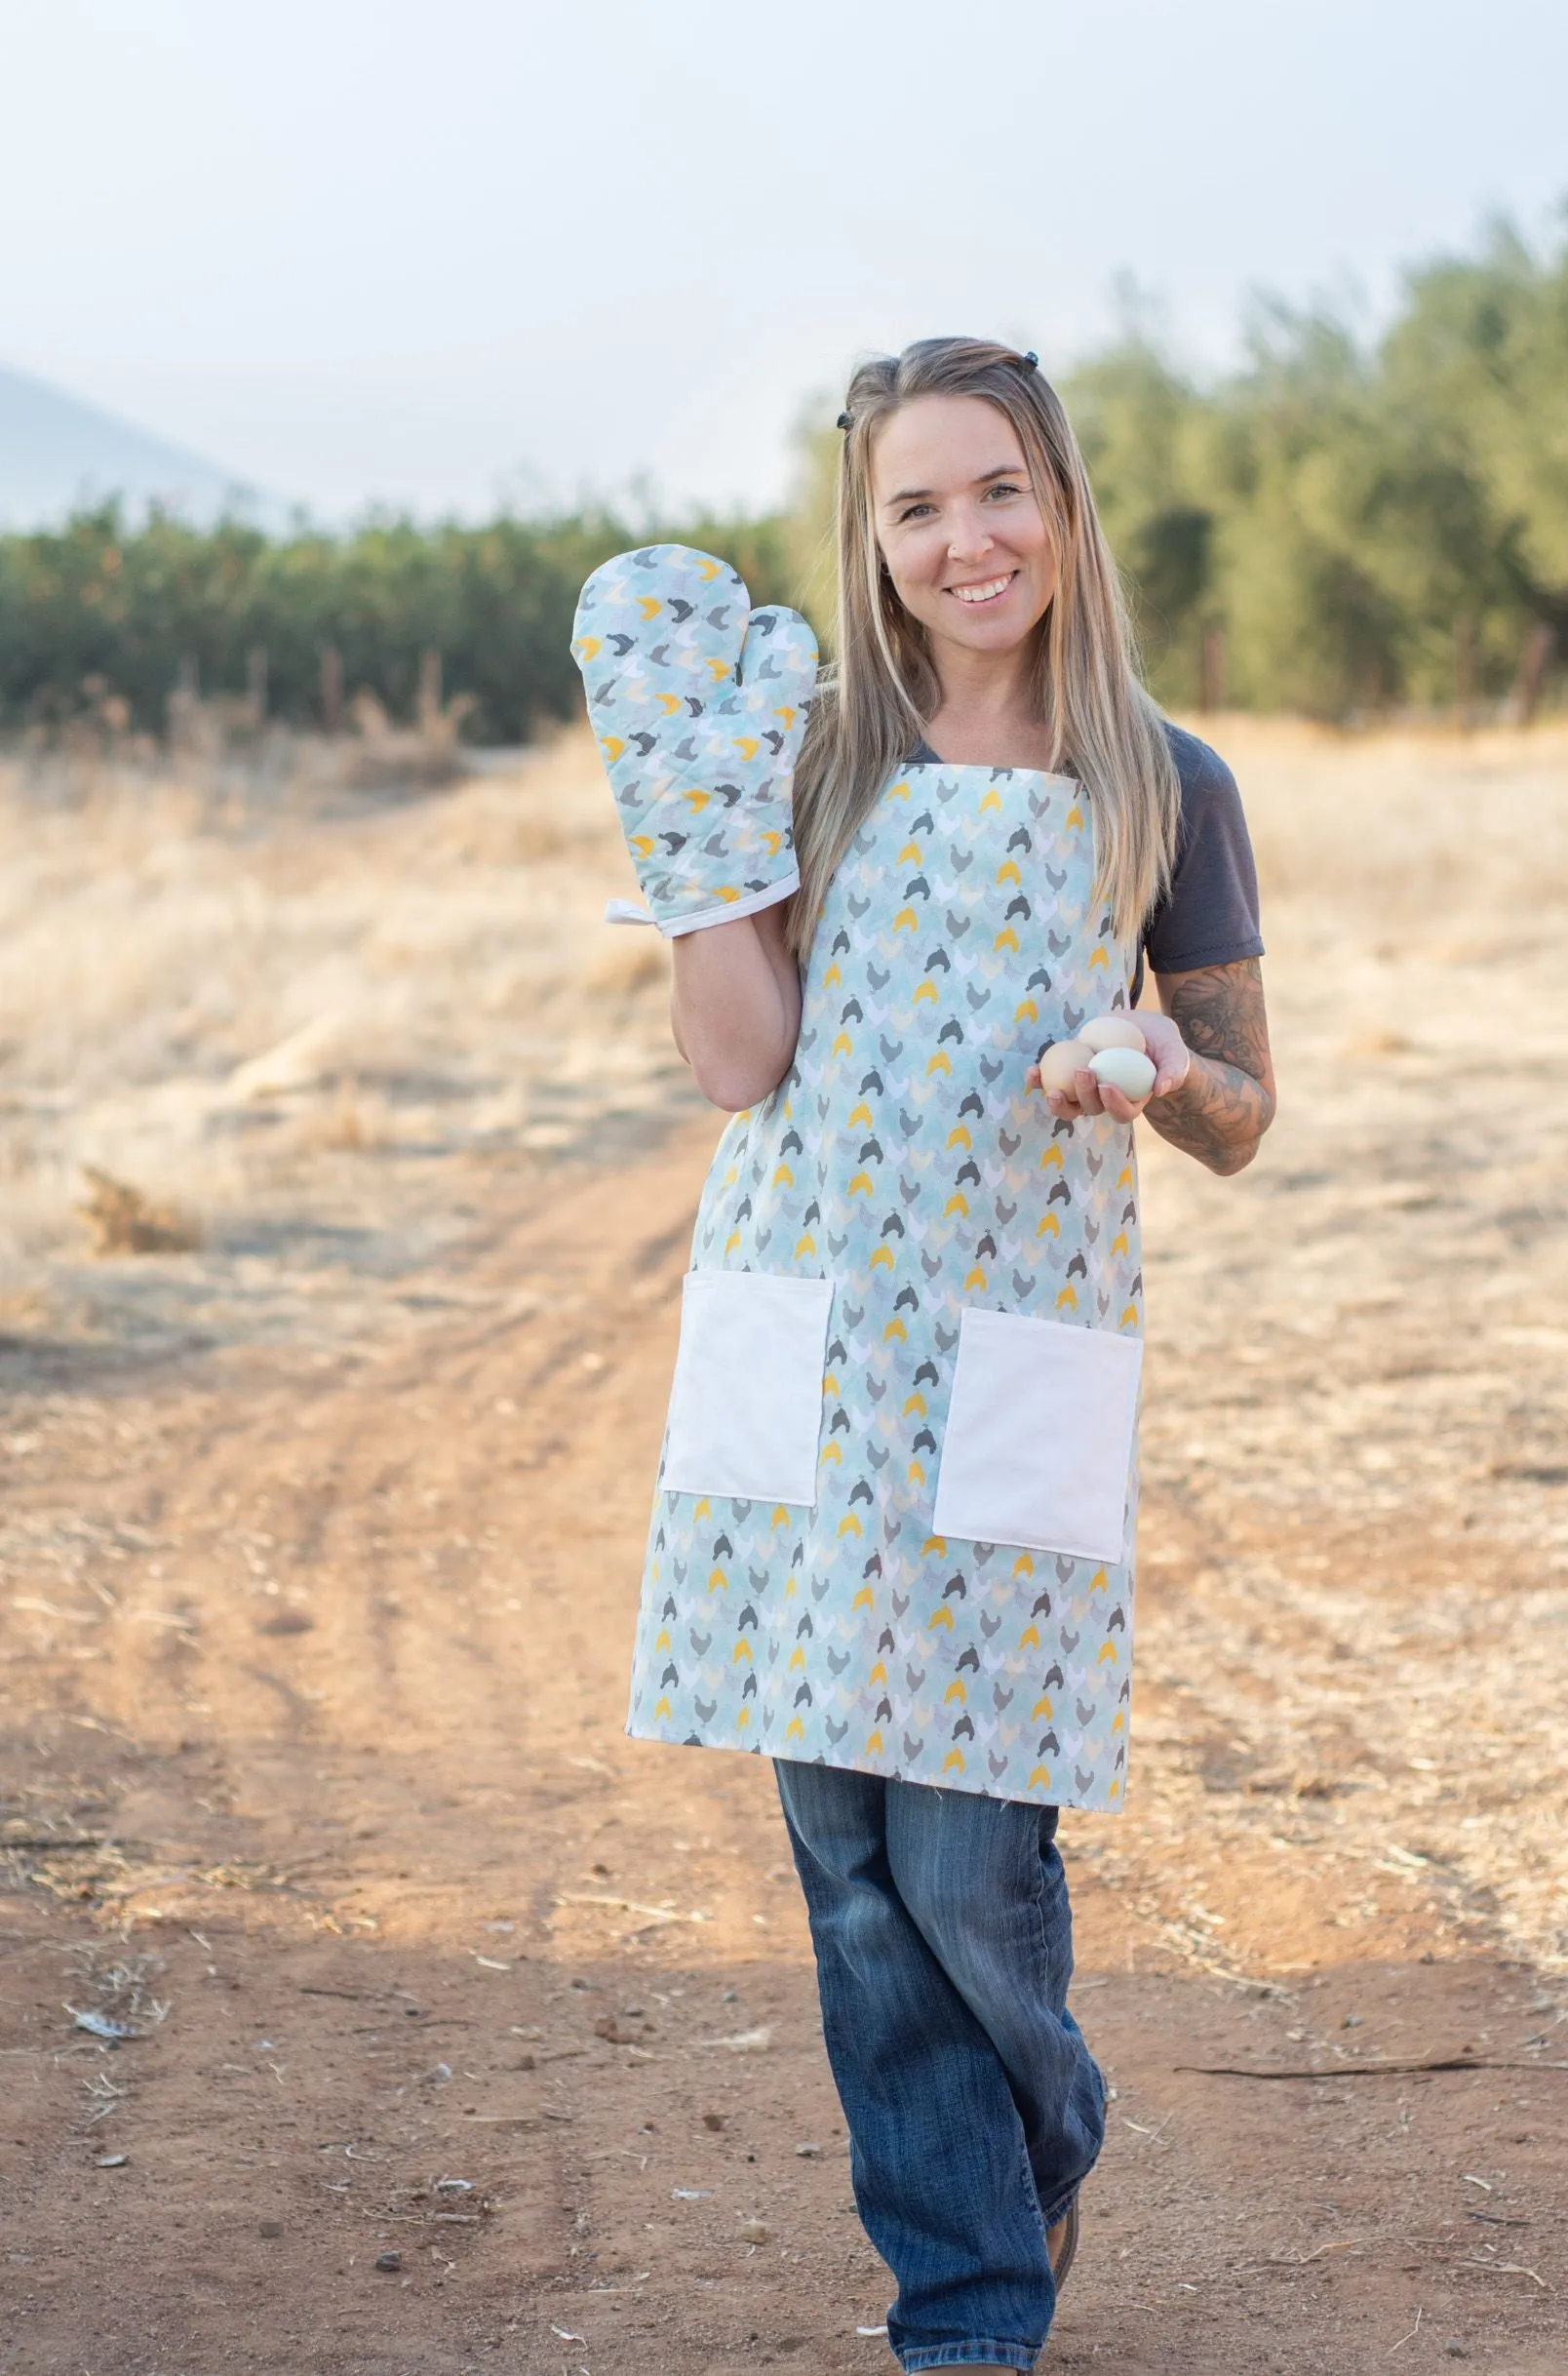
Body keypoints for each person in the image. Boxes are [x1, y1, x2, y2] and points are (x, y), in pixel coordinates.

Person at [571, 335, 1275, 2373]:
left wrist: (1154, 1059)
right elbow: (739, 1067)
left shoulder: (1167, 779)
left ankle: (1051, 2123)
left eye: (997, 491)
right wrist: (696, 832)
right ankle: (964, 2306)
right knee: (853, 1882)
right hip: (809, 1341)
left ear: (1061, 502)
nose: (964, 540)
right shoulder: (811, 758)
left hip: (1016, 1357)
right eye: (915, 507)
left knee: (968, 1870)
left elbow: (1244, 1102)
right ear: (869, 541)